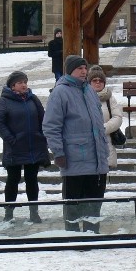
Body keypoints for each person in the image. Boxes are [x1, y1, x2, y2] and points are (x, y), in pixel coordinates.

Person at [42, 55, 110, 231]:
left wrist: (103, 150)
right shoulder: (60, 93)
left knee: (94, 203)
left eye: (85, 68)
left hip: (96, 160)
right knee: (73, 205)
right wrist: (58, 152)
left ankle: (92, 234)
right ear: (70, 70)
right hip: (74, 159)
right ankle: (73, 237)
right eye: (80, 68)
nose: (84, 71)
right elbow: (51, 126)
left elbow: (98, 123)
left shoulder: (89, 91)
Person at [0, 70, 50, 222]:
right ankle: (9, 214)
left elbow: (43, 119)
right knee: (13, 179)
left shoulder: (33, 99)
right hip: (15, 147)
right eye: (20, 83)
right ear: (12, 86)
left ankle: (34, 212)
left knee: (32, 179)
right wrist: (11, 139)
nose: (24, 85)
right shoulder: (4, 101)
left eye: (25, 82)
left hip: (33, 146)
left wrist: (41, 136)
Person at [87, 65, 124, 171]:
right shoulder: (83, 97)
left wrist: (103, 129)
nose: (98, 82)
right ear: (89, 82)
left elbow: (118, 117)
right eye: (94, 80)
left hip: (106, 142)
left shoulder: (110, 98)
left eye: (101, 80)